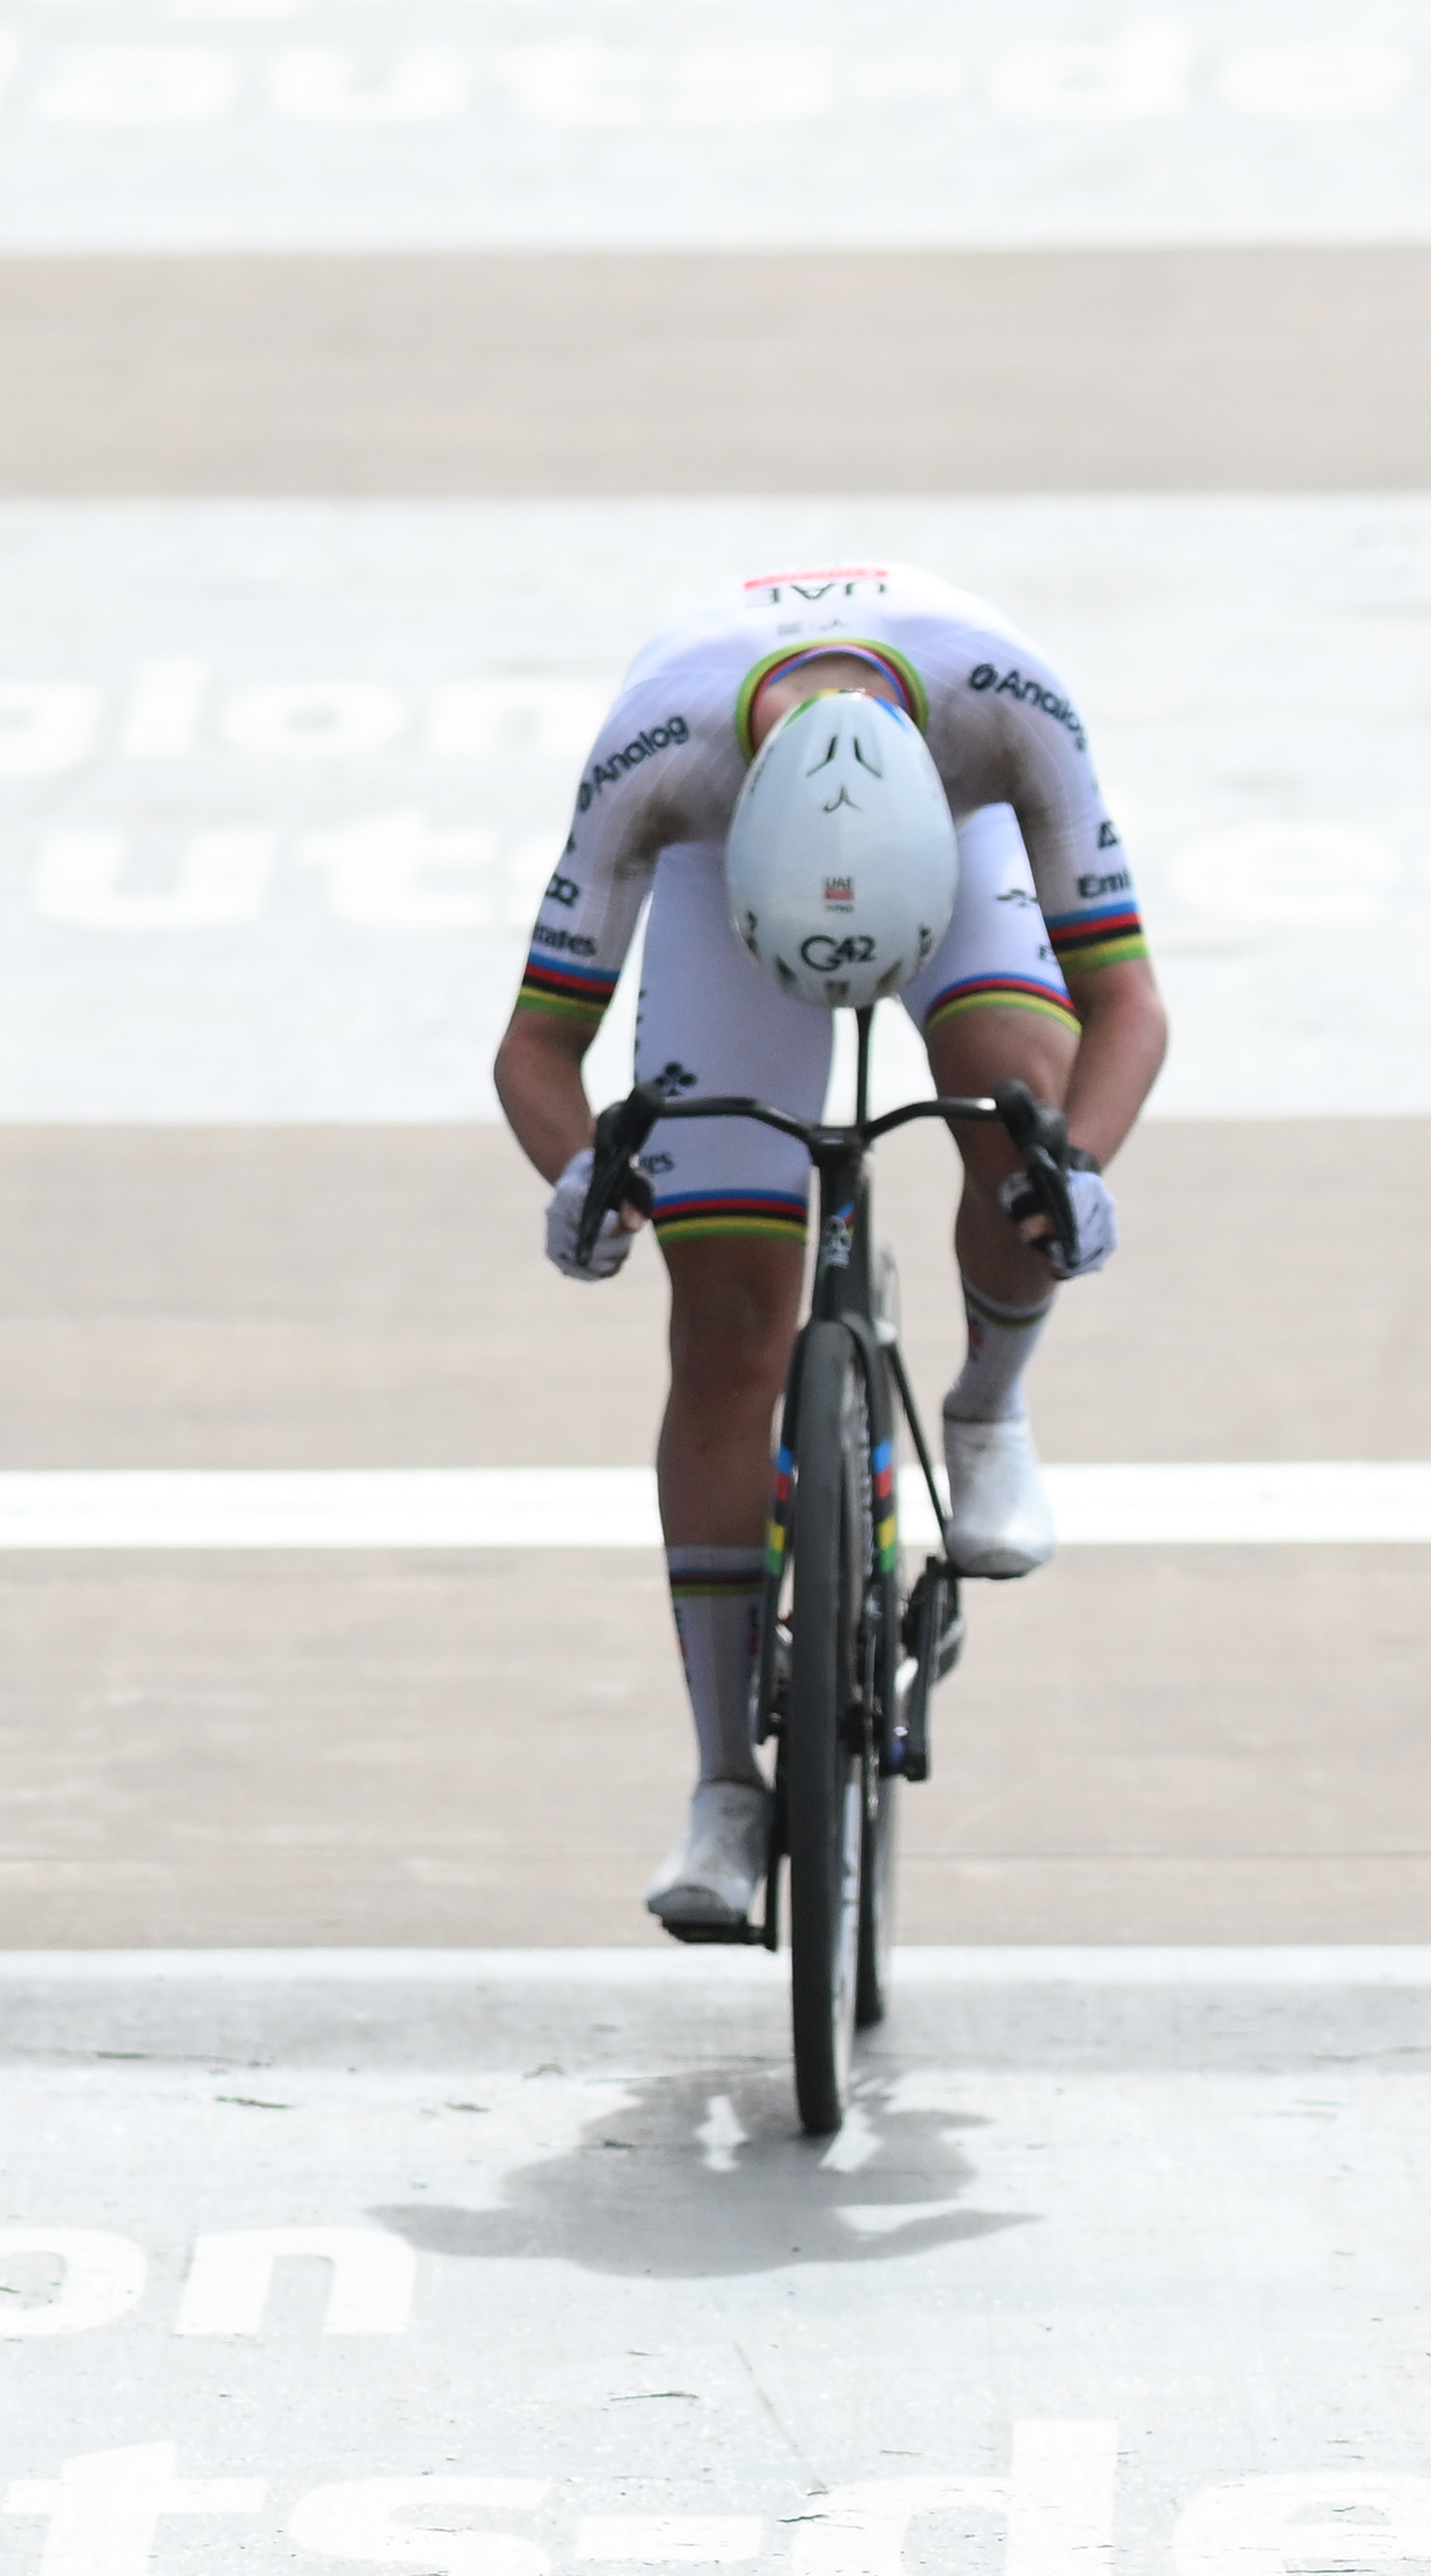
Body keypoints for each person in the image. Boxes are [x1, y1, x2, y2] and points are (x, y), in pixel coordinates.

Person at [489, 562, 1167, 1936]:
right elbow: (536, 1046)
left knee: (1017, 1114)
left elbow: (1128, 1005)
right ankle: (726, 1786)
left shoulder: (1006, 712)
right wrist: (578, 1175)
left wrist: (1078, 1167)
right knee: (730, 1331)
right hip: (716, 884)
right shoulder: (660, 760)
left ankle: (988, 1409)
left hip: (955, 852)